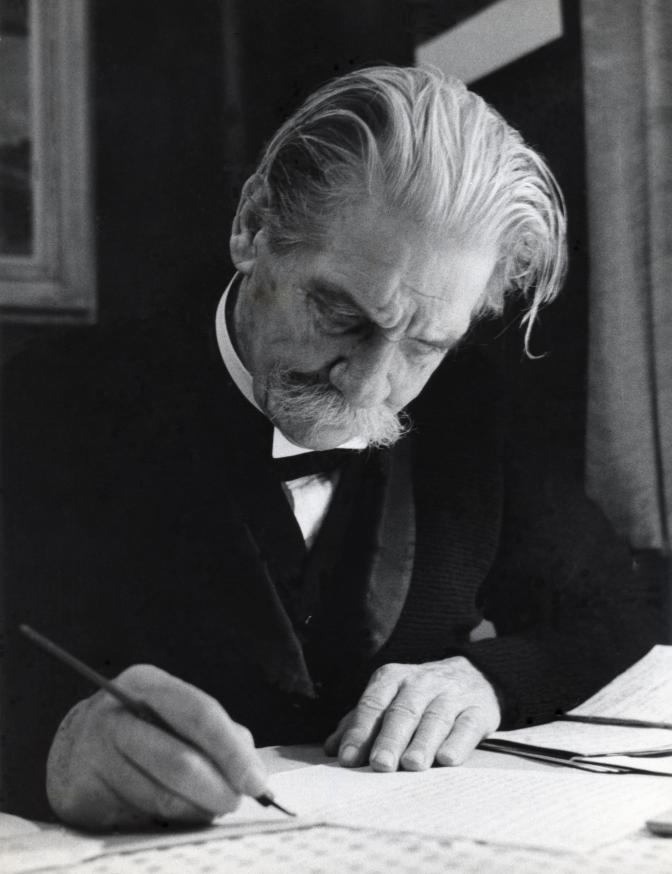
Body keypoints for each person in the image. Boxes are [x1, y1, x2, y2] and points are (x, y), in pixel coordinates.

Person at [1, 66, 655, 828]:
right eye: (341, 314)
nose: (370, 385)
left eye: (423, 346)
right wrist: (52, 749)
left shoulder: (468, 410)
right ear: (254, 227)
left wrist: (488, 680)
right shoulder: (48, 403)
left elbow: (614, 606)